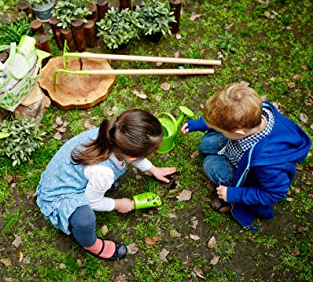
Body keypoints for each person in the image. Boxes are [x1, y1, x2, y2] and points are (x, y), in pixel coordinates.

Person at [36, 109, 177, 260]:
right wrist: (119, 203)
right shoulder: (103, 173)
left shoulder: (112, 134)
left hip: (63, 175)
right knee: (84, 219)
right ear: (132, 155)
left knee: (101, 183)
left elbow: (132, 156)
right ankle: (91, 244)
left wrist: (153, 169)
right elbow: (92, 202)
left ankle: (95, 186)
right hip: (57, 197)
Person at [182, 83, 311, 229]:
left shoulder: (268, 165)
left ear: (239, 133)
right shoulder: (256, 113)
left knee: (210, 163)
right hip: (238, 148)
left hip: (246, 174)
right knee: (205, 144)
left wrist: (234, 194)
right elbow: (223, 118)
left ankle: (228, 191)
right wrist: (200, 124)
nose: (218, 131)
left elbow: (275, 194)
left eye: (221, 130)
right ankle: (224, 147)